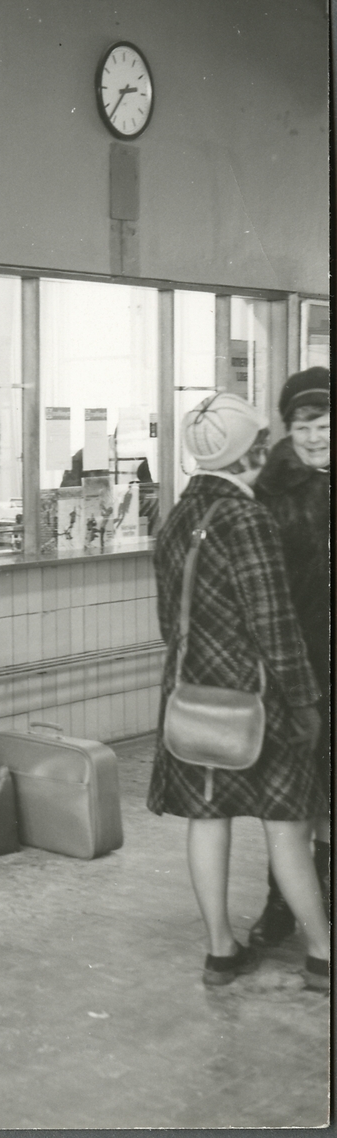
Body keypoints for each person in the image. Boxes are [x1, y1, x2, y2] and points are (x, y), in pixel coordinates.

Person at [146, 393, 329, 992]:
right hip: (258, 699)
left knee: (208, 818)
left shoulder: (177, 516)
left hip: (193, 698)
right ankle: (323, 954)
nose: (267, 450)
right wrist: (304, 700)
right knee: (286, 824)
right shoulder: (248, 520)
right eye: (260, 442)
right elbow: (274, 624)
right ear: (245, 452)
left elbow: (169, 620)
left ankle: (221, 951)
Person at [247, 367, 331, 947]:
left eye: (324, 424)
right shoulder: (270, 490)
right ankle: (281, 901)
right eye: (303, 427)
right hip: (297, 662)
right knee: (292, 792)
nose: (314, 437)